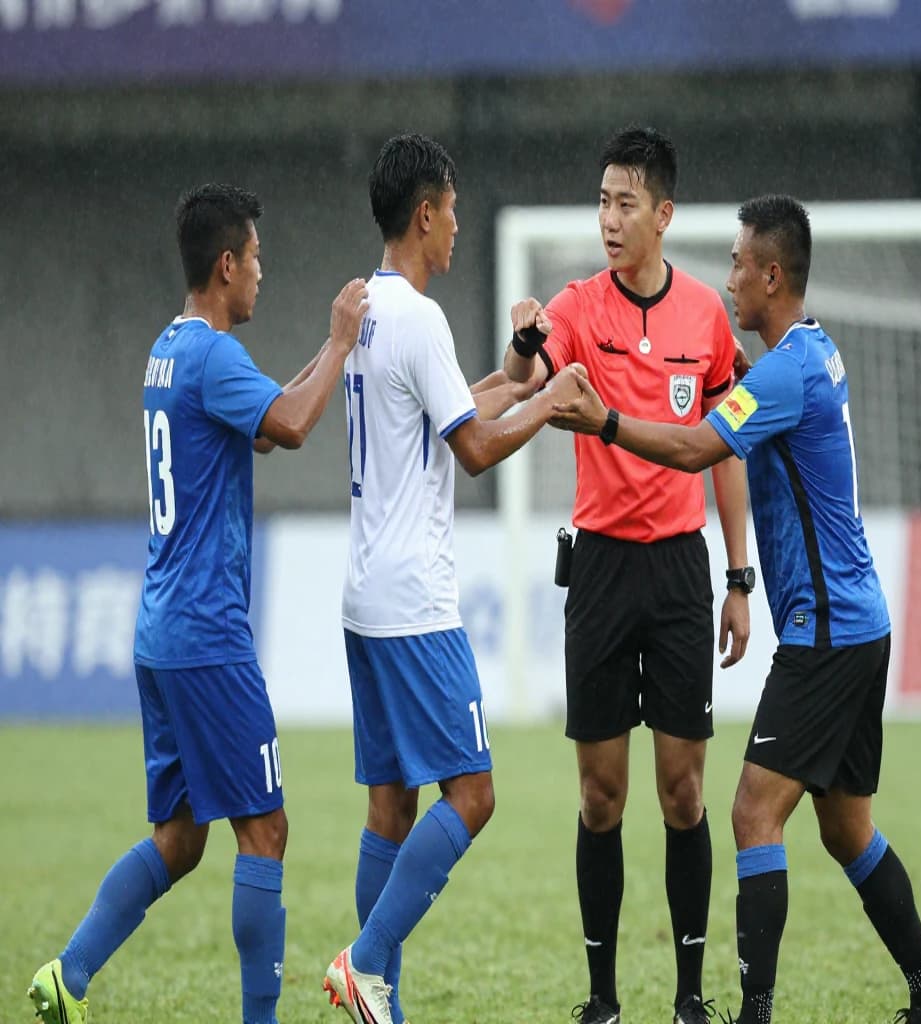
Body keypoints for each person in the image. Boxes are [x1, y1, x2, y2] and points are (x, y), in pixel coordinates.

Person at [550, 193, 921, 1024]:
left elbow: (694, 446)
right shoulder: (811, 356)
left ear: (773, 276)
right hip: (860, 624)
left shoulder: (783, 373)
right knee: (847, 831)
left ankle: (756, 1014)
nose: (730, 279)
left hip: (825, 634)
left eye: (741, 265)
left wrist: (605, 420)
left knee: (750, 812)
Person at [27, 183, 370, 1024]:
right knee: (266, 831)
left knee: (180, 840)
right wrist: (339, 342)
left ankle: (67, 976)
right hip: (209, 634)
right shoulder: (215, 358)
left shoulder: (170, 349)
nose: (261, 273)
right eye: (255, 258)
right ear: (225, 265)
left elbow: (264, 422)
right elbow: (291, 426)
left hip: (161, 629)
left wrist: (325, 357)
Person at [321, 132, 584, 1024]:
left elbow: (460, 404)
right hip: (415, 603)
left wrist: (523, 374)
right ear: (425, 213)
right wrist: (551, 402)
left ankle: (378, 1002)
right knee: (473, 794)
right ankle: (364, 963)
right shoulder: (419, 317)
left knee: (390, 807)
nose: (460, 227)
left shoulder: (368, 311)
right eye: (454, 211)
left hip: (364, 594)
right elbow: (472, 448)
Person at [502, 124, 753, 1024]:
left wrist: (739, 578)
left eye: (625, 203)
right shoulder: (577, 306)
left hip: (681, 573)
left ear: (663, 214)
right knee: (600, 796)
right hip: (602, 571)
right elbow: (520, 374)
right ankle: (602, 999)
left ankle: (689, 998)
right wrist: (524, 337)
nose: (609, 219)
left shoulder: (706, 316)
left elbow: (726, 451)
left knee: (683, 793)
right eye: (602, 201)